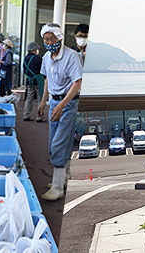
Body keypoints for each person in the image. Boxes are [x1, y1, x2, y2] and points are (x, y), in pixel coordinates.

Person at [37, 22, 83, 201]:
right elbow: (48, 79)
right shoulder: (46, 57)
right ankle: (62, 179)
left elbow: (76, 83)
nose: (49, 42)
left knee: (59, 144)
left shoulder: (72, 56)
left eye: (51, 38)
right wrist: (43, 102)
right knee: (53, 145)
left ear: (60, 37)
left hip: (68, 104)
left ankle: (57, 187)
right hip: (54, 103)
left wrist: (62, 105)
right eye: (46, 39)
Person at [23, 41, 45, 122]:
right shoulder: (38, 58)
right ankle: (39, 116)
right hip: (38, 81)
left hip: (29, 81)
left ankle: (26, 115)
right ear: (34, 49)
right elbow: (43, 70)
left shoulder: (25, 58)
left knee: (29, 97)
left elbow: (25, 70)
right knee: (40, 98)